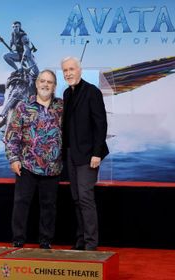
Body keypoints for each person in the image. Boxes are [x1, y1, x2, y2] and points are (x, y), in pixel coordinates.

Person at [4, 69, 63, 249]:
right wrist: (13, 159)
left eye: (50, 82)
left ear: (54, 87)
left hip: (53, 167)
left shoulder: (61, 107)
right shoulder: (23, 106)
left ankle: (46, 240)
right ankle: (18, 239)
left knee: (49, 206)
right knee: (21, 203)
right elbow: (11, 135)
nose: (45, 84)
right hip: (26, 165)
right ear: (36, 84)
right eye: (42, 81)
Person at [61, 57, 109, 251]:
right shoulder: (66, 93)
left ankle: (91, 243)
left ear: (80, 70)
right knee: (75, 198)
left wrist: (97, 153)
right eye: (65, 70)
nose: (68, 73)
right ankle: (80, 241)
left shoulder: (92, 92)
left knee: (85, 197)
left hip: (89, 155)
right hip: (71, 154)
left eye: (71, 69)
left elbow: (101, 123)